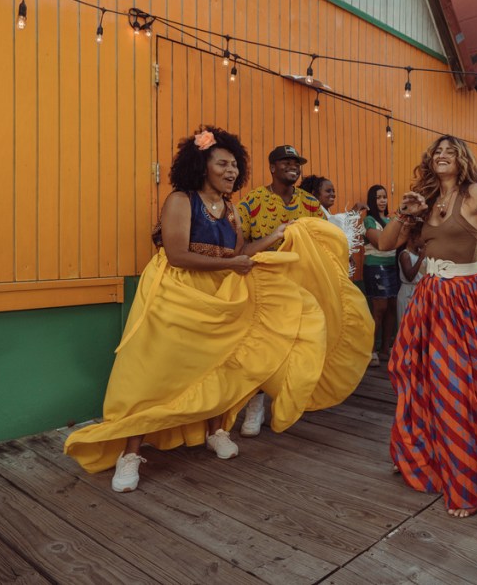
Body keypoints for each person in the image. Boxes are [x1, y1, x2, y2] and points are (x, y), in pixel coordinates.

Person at [65, 127, 373, 493]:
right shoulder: (181, 200)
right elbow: (178, 254)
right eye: (222, 164)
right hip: (175, 292)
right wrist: (231, 266)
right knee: (152, 371)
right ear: (202, 165)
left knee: (218, 363)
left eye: (233, 165)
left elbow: (238, 254)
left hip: (221, 296)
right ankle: (130, 452)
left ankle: (215, 430)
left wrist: (277, 236)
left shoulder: (230, 210)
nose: (230, 171)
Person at [375, 135, 477, 518]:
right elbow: (383, 242)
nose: (443, 156)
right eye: (437, 152)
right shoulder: (425, 200)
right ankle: (420, 454)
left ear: (462, 159)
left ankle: (470, 483)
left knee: (459, 388)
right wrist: (405, 213)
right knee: (418, 378)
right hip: (428, 298)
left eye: (451, 151)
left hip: (463, 299)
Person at [235, 146, 324, 438]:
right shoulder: (252, 203)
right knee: (262, 348)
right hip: (265, 288)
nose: (294, 167)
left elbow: (325, 243)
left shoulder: (311, 203)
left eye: (297, 163)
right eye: (287, 162)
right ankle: (255, 404)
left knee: (297, 346)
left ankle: (287, 400)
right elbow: (240, 250)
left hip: (301, 288)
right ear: (272, 167)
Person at [363, 185, 400, 367]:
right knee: (379, 310)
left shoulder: (392, 219)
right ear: (372, 200)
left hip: (392, 266)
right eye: (378, 197)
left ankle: (385, 349)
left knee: (392, 307)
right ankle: (370, 350)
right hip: (375, 266)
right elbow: (380, 242)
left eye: (384, 197)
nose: (383, 200)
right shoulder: (369, 220)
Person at [300, 174, 367, 272]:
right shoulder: (315, 215)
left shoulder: (326, 213)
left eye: (333, 191)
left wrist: (347, 253)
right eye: (328, 191)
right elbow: (334, 226)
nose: (333, 194)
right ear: (314, 194)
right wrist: (354, 211)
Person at [396, 227, 425, 323]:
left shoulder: (421, 253)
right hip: (408, 292)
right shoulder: (405, 255)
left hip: (420, 291)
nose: (424, 239)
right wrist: (420, 259)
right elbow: (409, 277)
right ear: (414, 238)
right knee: (406, 324)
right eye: (422, 237)